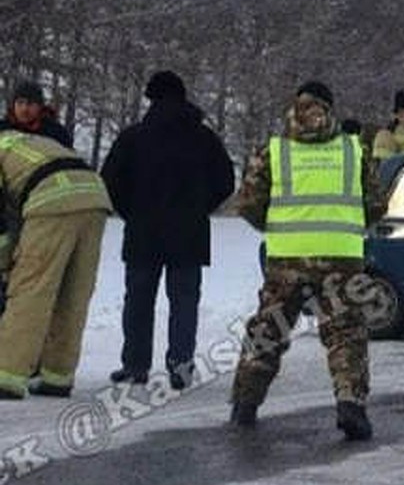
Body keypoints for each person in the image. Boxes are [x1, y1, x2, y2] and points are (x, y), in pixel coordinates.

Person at [229, 81, 384, 440]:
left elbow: (248, 204)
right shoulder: (354, 150)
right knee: (345, 332)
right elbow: (376, 204)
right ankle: (350, 403)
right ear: (330, 108)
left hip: (287, 257)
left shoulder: (273, 151)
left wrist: (279, 227)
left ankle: (245, 404)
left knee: (269, 329)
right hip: (342, 256)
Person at [101, 70, 235, 389]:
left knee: (138, 300)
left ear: (151, 98)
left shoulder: (133, 137)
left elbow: (110, 180)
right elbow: (225, 181)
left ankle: (135, 365)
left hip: (144, 231)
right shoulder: (204, 138)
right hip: (189, 233)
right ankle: (181, 365)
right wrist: (200, 207)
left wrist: (131, 211)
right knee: (184, 301)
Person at [0, 129, 111, 399]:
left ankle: (7, 375)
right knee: (73, 292)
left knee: (31, 289)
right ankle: (58, 376)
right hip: (94, 196)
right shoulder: (23, 141)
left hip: (50, 198)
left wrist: (5, 265)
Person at [0, 80, 73, 147]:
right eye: (20, 102)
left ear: (40, 106)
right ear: (13, 105)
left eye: (30, 103)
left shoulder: (56, 133)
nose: (24, 109)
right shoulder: (3, 128)